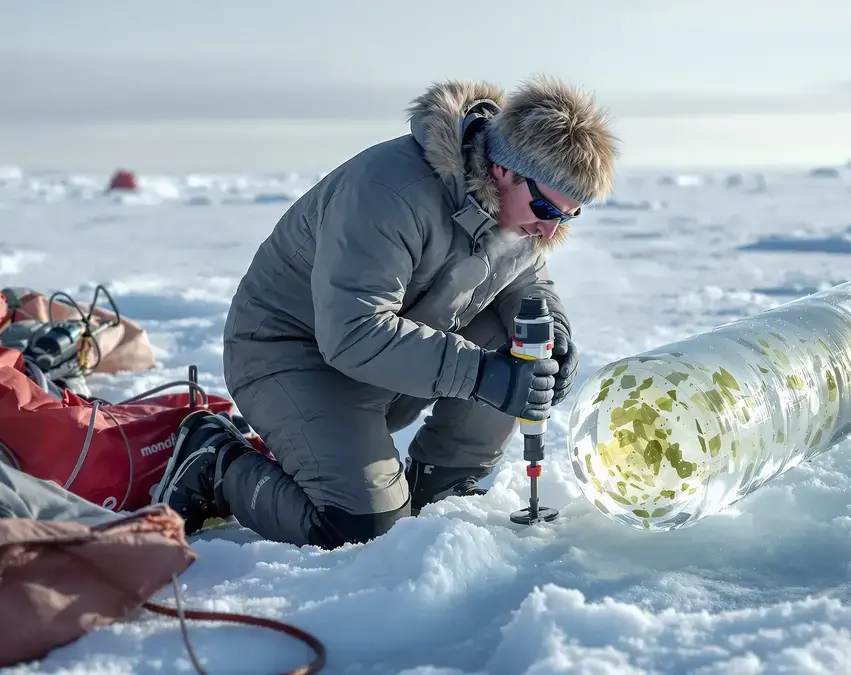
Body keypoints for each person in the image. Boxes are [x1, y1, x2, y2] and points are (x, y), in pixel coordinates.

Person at [150, 75, 619, 549]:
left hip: (389, 360)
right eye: (544, 206)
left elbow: (524, 281)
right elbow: (353, 331)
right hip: (293, 358)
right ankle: (215, 463)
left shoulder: (518, 220)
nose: (549, 226)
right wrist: (484, 376)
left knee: (513, 332)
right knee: (358, 530)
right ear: (504, 169)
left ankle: (441, 485)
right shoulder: (391, 192)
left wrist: (551, 331)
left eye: (568, 214)